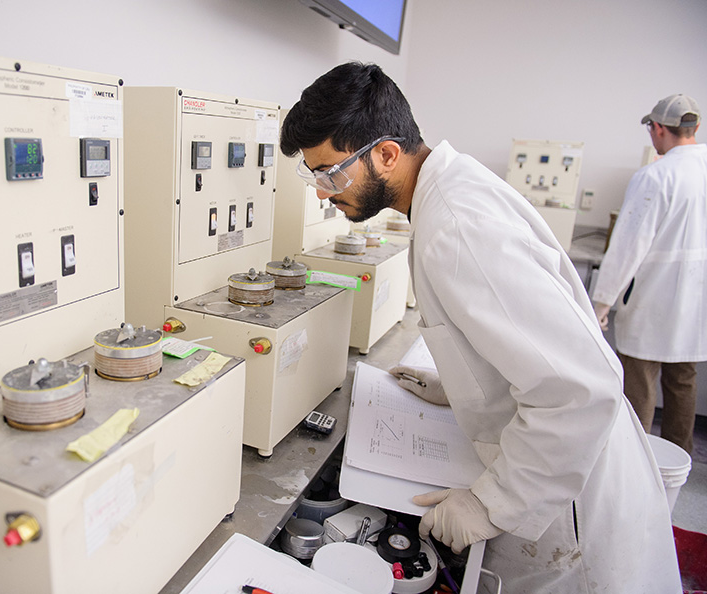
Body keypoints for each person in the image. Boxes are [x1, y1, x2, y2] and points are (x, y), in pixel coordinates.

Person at [280, 62, 681, 592]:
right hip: (558, 466)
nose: (322, 192)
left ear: (387, 154)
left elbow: (581, 389)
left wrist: (492, 503)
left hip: (568, 501)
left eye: (331, 173)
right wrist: (464, 385)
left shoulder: (459, 228)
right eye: (315, 176)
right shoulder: (450, 191)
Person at [592, 94, 706, 455]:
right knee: (683, 381)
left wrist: (601, 304)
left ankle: (635, 459)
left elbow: (628, 247)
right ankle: (677, 459)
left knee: (640, 382)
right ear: (695, 127)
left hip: (654, 299)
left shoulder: (656, 176)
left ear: (657, 128)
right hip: (696, 301)